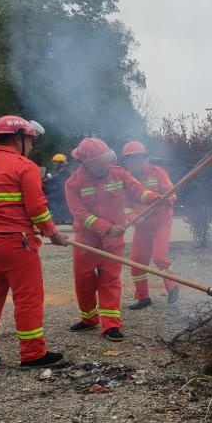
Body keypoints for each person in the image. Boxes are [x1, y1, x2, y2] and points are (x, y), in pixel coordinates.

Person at [0, 115, 69, 374]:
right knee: (28, 299)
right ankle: (33, 353)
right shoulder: (25, 167)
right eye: (30, 140)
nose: (32, 146)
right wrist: (53, 233)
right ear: (17, 138)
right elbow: (36, 207)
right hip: (16, 243)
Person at [64, 137, 159, 341]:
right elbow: (80, 214)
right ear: (87, 163)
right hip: (86, 243)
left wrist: (152, 197)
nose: (105, 166)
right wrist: (107, 228)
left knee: (110, 281)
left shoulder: (118, 173)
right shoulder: (73, 184)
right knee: (84, 282)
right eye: (100, 162)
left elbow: (136, 189)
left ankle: (111, 325)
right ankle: (89, 319)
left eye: (107, 160)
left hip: (113, 242)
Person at [119, 141, 179, 309]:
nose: (133, 163)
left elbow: (171, 192)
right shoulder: (126, 179)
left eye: (136, 159)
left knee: (160, 257)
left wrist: (168, 198)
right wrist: (132, 217)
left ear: (143, 158)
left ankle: (173, 288)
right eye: (129, 160)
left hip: (161, 221)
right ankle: (143, 298)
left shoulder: (157, 172)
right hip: (142, 225)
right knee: (137, 261)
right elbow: (125, 205)